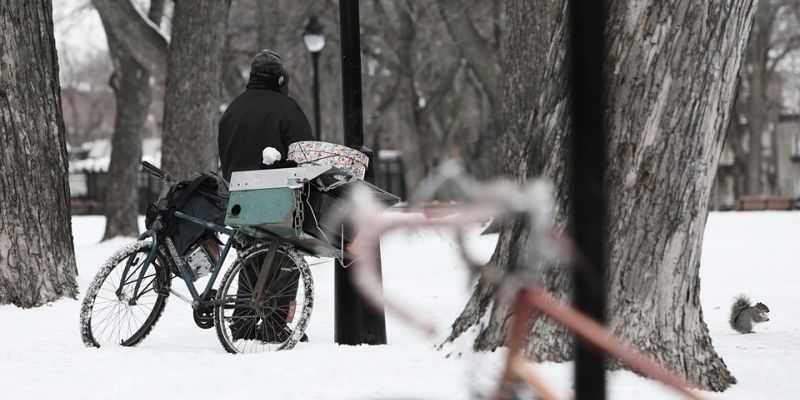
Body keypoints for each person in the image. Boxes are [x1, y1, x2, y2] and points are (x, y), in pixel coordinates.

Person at [217, 49, 314, 343]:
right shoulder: (286, 108)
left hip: (239, 196)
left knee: (249, 258)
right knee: (285, 258)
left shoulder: (232, 109)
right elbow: (304, 152)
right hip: (276, 196)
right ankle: (274, 323)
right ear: (280, 79)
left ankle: (244, 322)